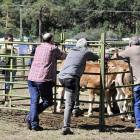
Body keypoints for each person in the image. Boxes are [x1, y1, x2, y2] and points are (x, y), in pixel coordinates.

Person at [23, 33, 67, 131]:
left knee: (34, 102)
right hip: (43, 79)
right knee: (48, 101)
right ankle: (29, 117)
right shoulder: (53, 48)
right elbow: (64, 56)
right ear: (51, 40)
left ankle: (34, 124)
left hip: (32, 77)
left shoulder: (38, 48)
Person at [58, 38, 99, 135]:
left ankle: (76, 108)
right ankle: (65, 127)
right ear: (85, 46)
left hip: (62, 76)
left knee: (77, 88)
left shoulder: (71, 50)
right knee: (68, 104)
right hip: (71, 78)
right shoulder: (85, 51)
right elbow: (96, 57)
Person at [113, 37, 140, 132]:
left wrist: (116, 52)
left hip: (138, 82)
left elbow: (115, 57)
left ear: (129, 44)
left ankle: (138, 126)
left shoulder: (130, 50)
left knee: (137, 104)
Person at [0, 34, 18, 107]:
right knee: (8, 84)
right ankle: (7, 101)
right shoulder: (5, 46)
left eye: (12, 40)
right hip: (8, 68)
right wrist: (14, 47)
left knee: (9, 83)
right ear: (5, 39)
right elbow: (8, 47)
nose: (11, 41)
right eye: (9, 40)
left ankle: (3, 98)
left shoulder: (8, 46)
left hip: (12, 68)